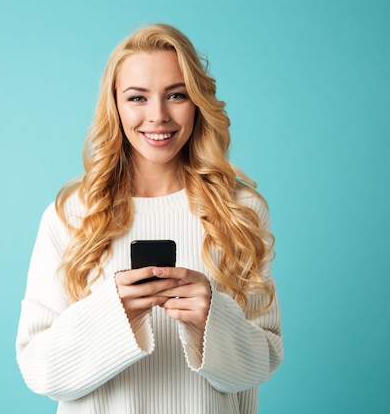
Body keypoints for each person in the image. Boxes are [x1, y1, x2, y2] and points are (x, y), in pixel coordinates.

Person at [15, 23, 283, 414]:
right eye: (137, 97)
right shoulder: (73, 214)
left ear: (197, 102)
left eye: (176, 94)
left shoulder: (240, 211)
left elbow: (265, 361)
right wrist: (114, 313)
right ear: (116, 106)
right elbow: (39, 371)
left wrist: (211, 320)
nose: (157, 116)